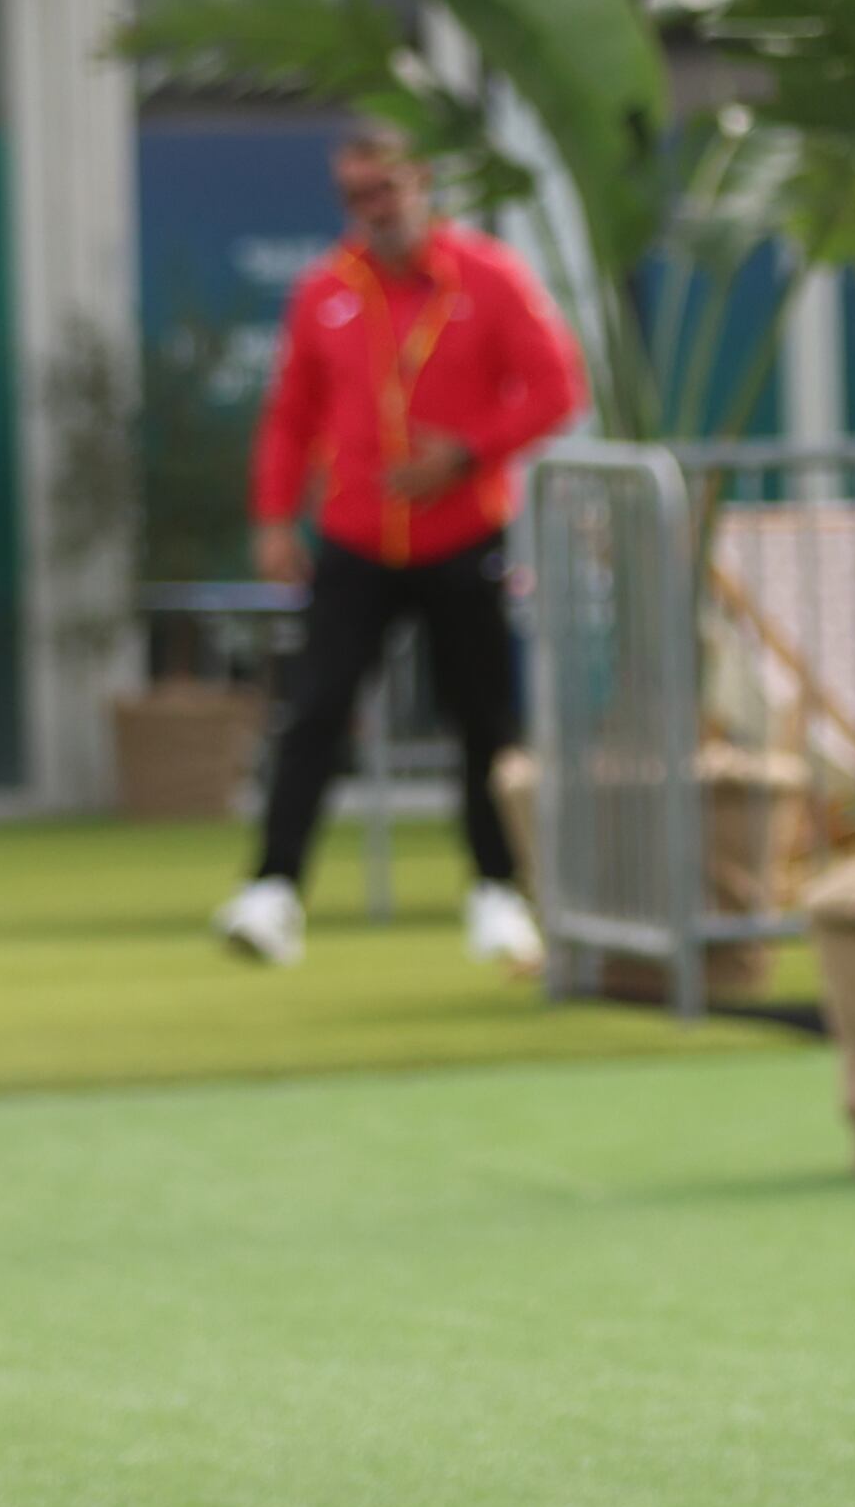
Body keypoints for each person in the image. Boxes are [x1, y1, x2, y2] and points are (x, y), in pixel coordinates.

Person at [218, 127, 582, 973]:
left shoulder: (488, 276)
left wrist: (464, 451)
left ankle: (498, 891)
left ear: (422, 182)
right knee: (314, 710)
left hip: (462, 530)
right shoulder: (324, 291)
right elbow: (290, 413)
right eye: (355, 195)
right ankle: (273, 890)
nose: (372, 210)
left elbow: (559, 388)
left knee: (482, 719)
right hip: (355, 534)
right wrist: (275, 518)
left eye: (384, 190)